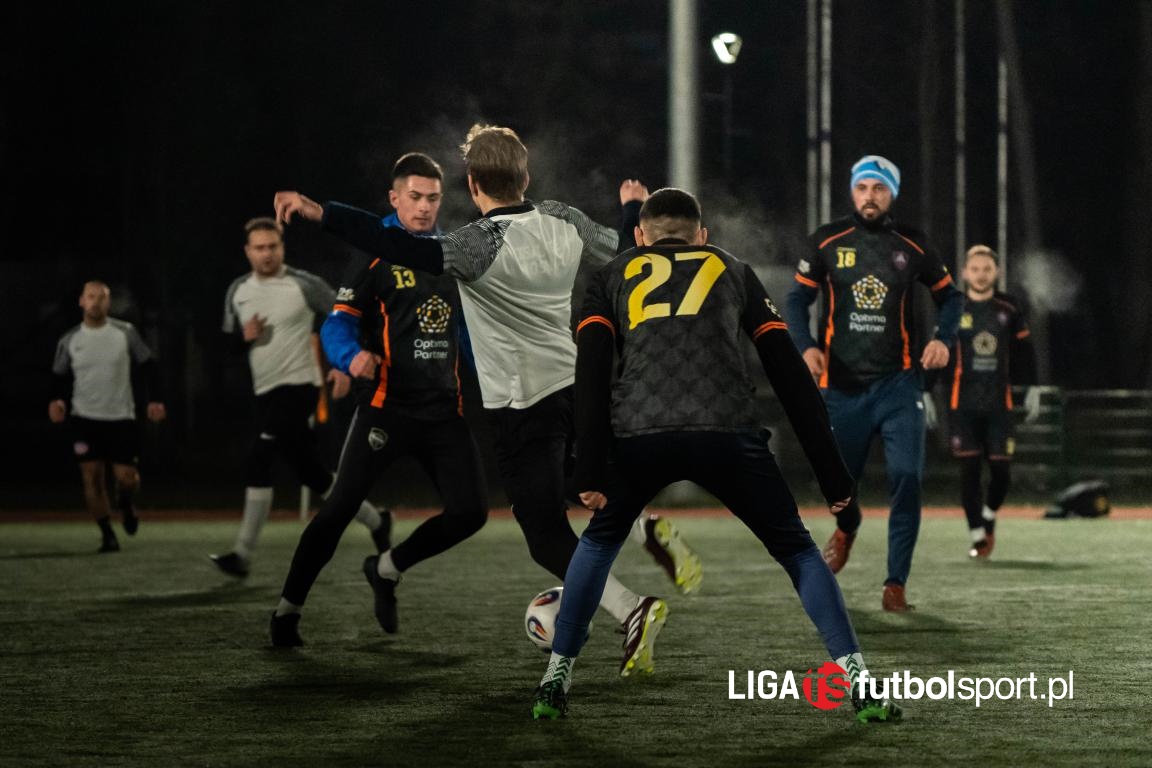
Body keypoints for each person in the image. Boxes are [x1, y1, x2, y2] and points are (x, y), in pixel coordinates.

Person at [272, 124, 699, 674]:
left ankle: (631, 608)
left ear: (472, 185)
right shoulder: (564, 218)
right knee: (586, 484)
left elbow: (396, 245)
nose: (426, 206)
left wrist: (322, 212)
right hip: (571, 386)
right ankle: (641, 524)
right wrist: (632, 209)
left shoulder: (472, 245)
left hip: (519, 403)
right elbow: (624, 249)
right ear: (526, 177)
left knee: (544, 534)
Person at [529, 188, 901, 723]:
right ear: (701, 236)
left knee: (600, 541)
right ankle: (862, 685)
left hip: (639, 432)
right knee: (798, 552)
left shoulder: (610, 276)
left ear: (640, 237)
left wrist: (586, 465)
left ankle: (554, 683)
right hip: (726, 429)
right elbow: (790, 375)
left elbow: (589, 373)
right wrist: (832, 475)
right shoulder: (732, 269)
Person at [269, 152, 490, 646]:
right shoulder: (375, 252)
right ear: (395, 198)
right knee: (337, 511)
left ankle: (386, 568)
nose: (425, 206)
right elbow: (338, 322)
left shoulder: (449, 256)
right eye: (415, 197)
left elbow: (463, 334)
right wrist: (350, 358)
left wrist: (496, 382)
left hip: (444, 413)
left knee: (471, 513)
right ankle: (287, 611)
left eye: (433, 198)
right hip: (387, 409)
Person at [784, 155, 963, 612]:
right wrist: (805, 346)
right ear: (852, 190)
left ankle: (895, 583)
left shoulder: (913, 244)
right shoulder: (827, 240)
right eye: (863, 187)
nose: (870, 196)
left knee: (907, 477)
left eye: (879, 188)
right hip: (841, 388)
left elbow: (951, 298)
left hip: (899, 386)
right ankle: (848, 528)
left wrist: (943, 339)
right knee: (839, 488)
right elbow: (796, 298)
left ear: (892, 194)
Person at [211, 217, 387, 578]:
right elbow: (227, 348)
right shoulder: (237, 291)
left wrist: (342, 366)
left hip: (301, 387)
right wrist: (243, 337)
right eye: (259, 248)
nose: (267, 254)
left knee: (259, 458)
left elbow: (346, 318)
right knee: (314, 476)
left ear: (282, 247)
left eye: (272, 246)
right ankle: (377, 520)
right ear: (247, 252)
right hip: (265, 393)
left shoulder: (305, 285)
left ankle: (242, 555)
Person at [49, 280, 166, 552]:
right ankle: (107, 534)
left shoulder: (125, 332)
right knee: (92, 477)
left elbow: (149, 365)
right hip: (84, 420)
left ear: (108, 303)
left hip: (121, 418)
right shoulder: (70, 339)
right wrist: (57, 401)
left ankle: (125, 502)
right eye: (90, 297)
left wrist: (155, 400)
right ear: (81, 301)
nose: (95, 302)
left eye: (101, 297)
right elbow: (58, 375)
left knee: (128, 478)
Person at [944, 244, 1038, 558]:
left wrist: (1033, 387)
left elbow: (1026, 352)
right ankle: (977, 537)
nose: (981, 274)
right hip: (963, 406)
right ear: (964, 273)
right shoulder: (954, 307)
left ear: (996, 272)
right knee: (969, 471)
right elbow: (939, 351)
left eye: (987, 269)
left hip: (1000, 405)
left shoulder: (1009, 308)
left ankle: (989, 515)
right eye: (975, 269)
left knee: (1001, 472)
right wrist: (925, 389)